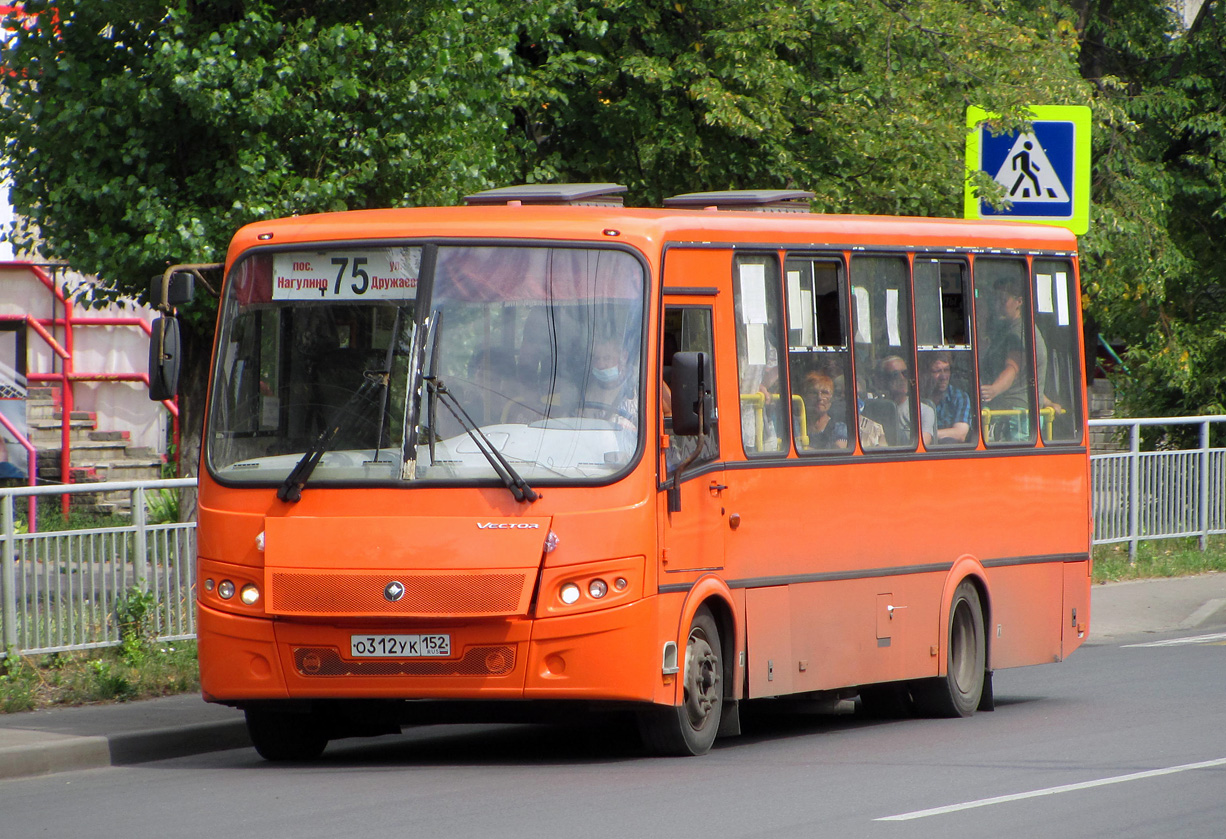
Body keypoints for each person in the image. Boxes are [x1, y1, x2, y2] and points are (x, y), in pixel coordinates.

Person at [979, 282, 1030, 440]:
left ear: (1019, 302)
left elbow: (1012, 369)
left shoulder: (1018, 333)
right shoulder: (1005, 330)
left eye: (1003, 300)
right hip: (1007, 409)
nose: (998, 306)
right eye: (995, 300)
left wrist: (993, 389)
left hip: (1016, 414)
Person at [876, 355, 935, 447]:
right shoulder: (875, 408)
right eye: (895, 374)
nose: (902, 378)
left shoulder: (923, 411)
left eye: (905, 373)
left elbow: (922, 444)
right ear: (882, 380)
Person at [921, 352, 972, 443]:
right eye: (937, 371)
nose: (943, 377)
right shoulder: (919, 396)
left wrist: (927, 435)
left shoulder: (959, 397)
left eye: (946, 370)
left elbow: (960, 433)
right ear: (926, 373)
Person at [799, 371, 848, 450]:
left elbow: (837, 456)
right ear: (805, 397)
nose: (819, 397)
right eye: (813, 393)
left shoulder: (839, 428)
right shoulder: (796, 425)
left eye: (825, 393)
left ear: (832, 398)